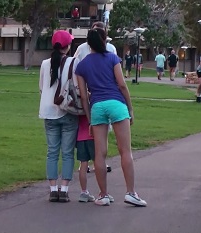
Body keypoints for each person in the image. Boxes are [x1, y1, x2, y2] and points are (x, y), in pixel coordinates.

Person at [75, 27, 147, 207]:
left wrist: (90, 119)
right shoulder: (112, 58)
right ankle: (131, 192)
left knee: (100, 154)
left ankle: (103, 194)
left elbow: (84, 96)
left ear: (87, 43)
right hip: (116, 103)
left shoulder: (81, 65)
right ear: (104, 40)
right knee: (125, 151)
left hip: (97, 106)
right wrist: (130, 109)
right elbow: (122, 85)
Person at [39, 30, 79, 203]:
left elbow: (41, 88)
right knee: (68, 153)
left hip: (48, 111)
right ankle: (64, 190)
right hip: (67, 110)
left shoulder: (44, 63)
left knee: (52, 152)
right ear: (68, 46)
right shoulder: (74, 62)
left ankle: (53, 189)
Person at [74, 22, 113, 173]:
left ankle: (100, 161)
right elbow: (76, 67)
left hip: (103, 93)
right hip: (89, 91)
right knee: (88, 129)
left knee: (103, 129)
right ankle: (84, 162)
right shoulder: (81, 49)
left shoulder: (111, 49)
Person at [76, 115, 114, 203]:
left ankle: (84, 191)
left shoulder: (79, 105)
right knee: (98, 163)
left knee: (83, 164)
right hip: (93, 137)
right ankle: (103, 192)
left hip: (81, 137)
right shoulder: (93, 107)